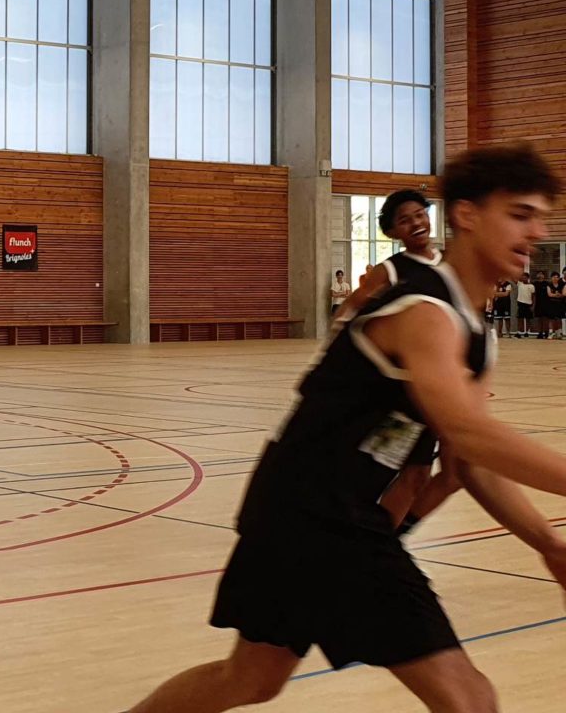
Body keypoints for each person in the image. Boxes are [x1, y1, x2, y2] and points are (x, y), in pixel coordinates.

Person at [127, 144, 566, 713]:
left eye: (542, 218)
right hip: (322, 516)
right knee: (470, 700)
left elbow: (467, 462)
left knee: (250, 679)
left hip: (304, 512)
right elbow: (469, 433)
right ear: (467, 214)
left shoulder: (477, 334)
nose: (537, 232)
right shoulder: (424, 311)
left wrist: (548, 543)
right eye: (521, 214)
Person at [333, 189, 442, 323]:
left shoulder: (449, 259)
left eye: (420, 215)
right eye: (404, 221)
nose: (416, 223)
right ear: (391, 232)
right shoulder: (389, 269)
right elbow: (349, 306)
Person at [516, 272, 536, 339]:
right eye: (523, 277)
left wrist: (533, 306)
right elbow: (514, 278)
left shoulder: (531, 286)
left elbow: (534, 296)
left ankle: (526, 332)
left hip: (528, 304)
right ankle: (519, 332)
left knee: (528, 319)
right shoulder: (519, 284)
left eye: (525, 277)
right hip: (521, 304)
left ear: (528, 278)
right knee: (520, 319)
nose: (524, 278)